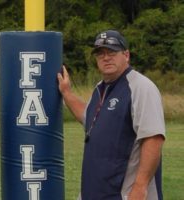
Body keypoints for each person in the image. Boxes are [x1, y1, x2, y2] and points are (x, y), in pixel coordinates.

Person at [57, 30, 165, 200]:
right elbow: (89, 119)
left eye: (112, 52)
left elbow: (153, 138)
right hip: (96, 192)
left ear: (126, 55)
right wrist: (66, 93)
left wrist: (140, 188)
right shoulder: (100, 89)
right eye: (100, 54)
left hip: (124, 194)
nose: (106, 58)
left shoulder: (141, 87)